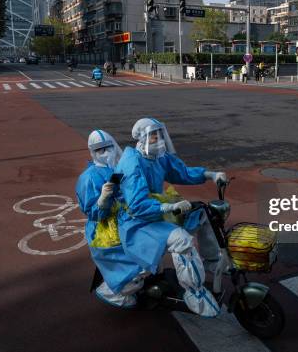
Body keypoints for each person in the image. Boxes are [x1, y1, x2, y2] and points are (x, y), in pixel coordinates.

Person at [115, 118, 227, 317]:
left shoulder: (157, 157)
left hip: (158, 210)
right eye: (154, 136)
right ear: (142, 138)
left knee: (203, 214)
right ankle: (195, 294)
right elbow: (137, 204)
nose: (159, 140)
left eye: (160, 135)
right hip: (137, 221)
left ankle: (211, 262)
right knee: (181, 239)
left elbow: (180, 172)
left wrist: (211, 174)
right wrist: (170, 206)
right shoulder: (132, 162)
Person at [75, 130, 147, 308]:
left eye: (108, 147)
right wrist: (102, 200)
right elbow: (93, 213)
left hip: (127, 220)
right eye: (100, 150)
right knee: (137, 268)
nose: (106, 152)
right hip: (104, 230)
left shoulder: (119, 168)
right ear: (92, 152)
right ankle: (111, 290)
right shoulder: (88, 178)